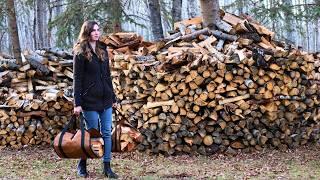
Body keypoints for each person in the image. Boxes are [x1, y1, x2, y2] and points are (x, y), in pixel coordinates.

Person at [73, 20, 118, 178]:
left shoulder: (102, 49)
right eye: (93, 30)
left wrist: (113, 97)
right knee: (91, 134)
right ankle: (82, 164)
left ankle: (107, 167)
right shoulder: (80, 52)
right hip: (89, 101)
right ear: (87, 32)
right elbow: (77, 79)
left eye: (98, 30)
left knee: (106, 132)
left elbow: (107, 76)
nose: (97, 33)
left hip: (105, 100)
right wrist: (77, 103)